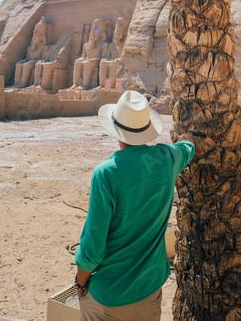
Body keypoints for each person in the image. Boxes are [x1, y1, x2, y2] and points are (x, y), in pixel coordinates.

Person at [74, 90, 195, 321]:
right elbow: (188, 147)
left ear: (115, 129)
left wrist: (80, 283)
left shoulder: (106, 174)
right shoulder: (167, 159)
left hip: (110, 296)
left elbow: (92, 250)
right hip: (149, 290)